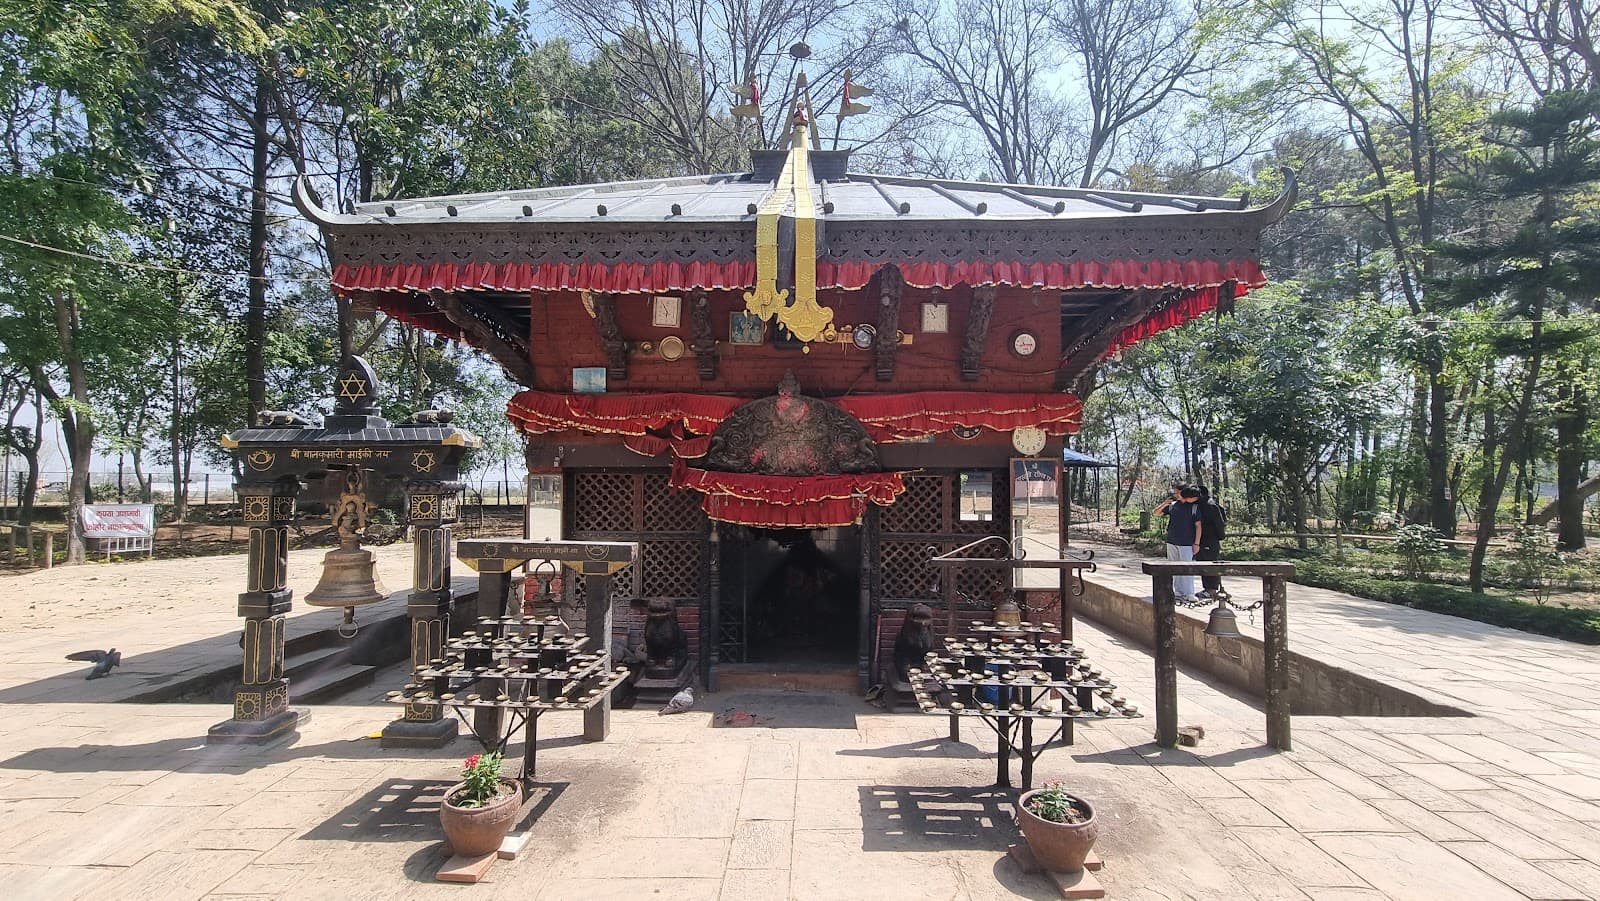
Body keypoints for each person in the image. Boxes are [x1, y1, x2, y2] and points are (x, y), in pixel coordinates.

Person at [1155, 483, 1203, 599]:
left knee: (1187, 567)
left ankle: (1189, 592)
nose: (1176, 495)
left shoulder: (1194, 507)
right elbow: (1156, 513)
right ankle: (1178, 591)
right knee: (1174, 566)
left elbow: (1198, 526)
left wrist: (1197, 543)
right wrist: (1164, 504)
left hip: (1187, 542)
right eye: (1175, 492)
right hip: (1172, 540)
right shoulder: (1173, 505)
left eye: (1178, 492)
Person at [1194, 484, 1226, 599]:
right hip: (1202, 539)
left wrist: (1220, 536)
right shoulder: (1200, 505)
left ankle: (1212, 589)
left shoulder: (1210, 505)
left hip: (1210, 539)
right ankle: (1207, 588)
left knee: (1210, 563)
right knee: (1203, 563)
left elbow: (1220, 523)